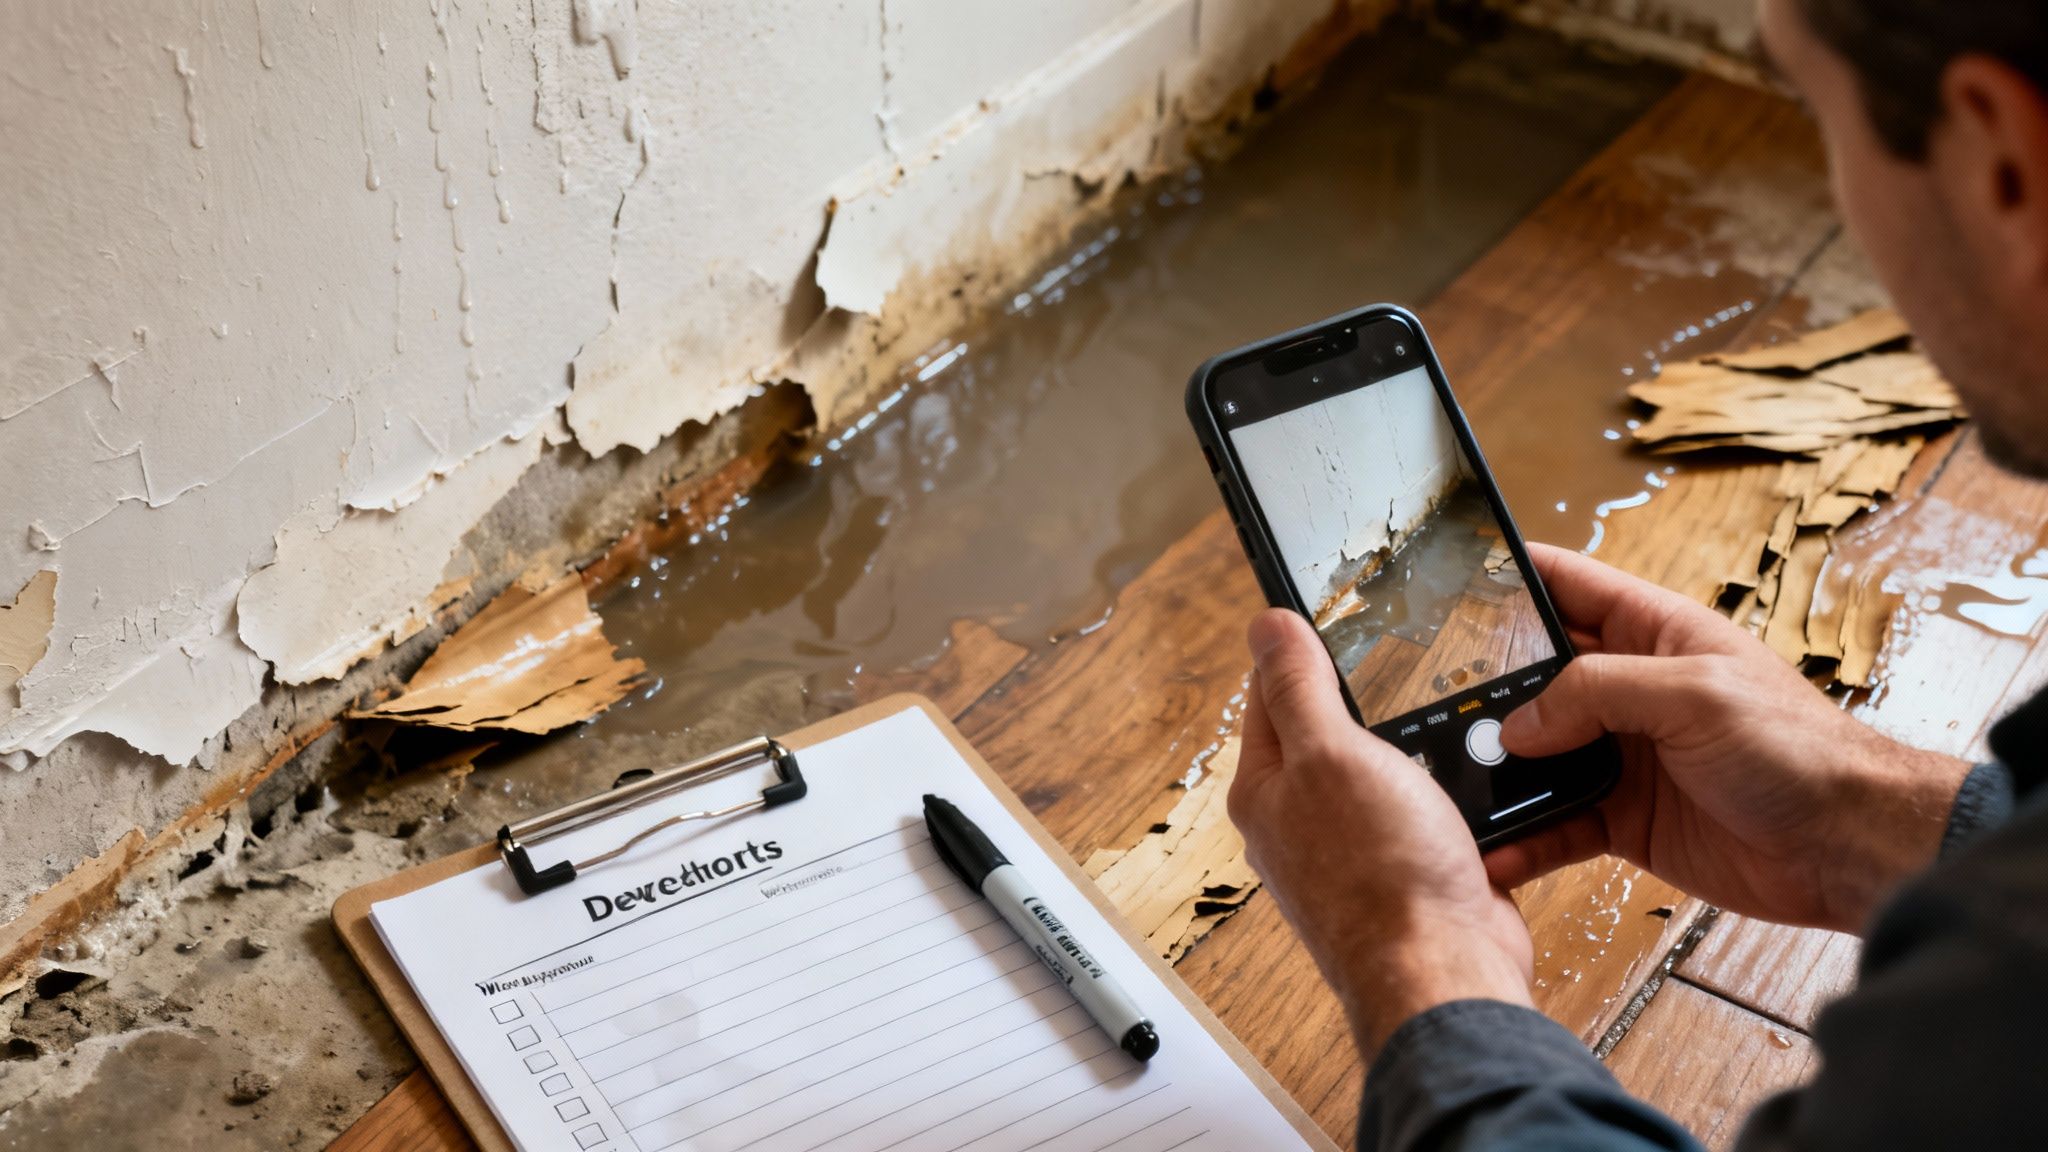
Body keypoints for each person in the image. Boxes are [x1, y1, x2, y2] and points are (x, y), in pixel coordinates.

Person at [1228, 1, 2048, 1148]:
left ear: (1999, 161)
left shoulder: (1986, 1023)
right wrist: (1858, 816)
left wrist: (1418, 949)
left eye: (1814, 115)